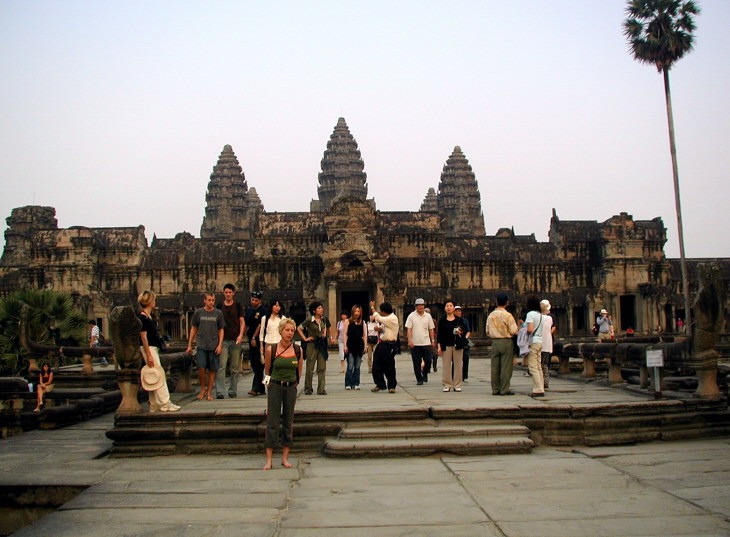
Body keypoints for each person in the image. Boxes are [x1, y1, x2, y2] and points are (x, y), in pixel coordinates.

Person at [262, 318, 304, 470]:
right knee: (272, 421)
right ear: (280, 331)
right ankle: (269, 459)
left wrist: (294, 384)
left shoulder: (298, 350)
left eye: (292, 330)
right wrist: (270, 385)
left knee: (288, 421)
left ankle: (285, 457)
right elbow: (267, 369)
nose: (290, 333)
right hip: (275, 386)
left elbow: (299, 370)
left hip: (290, 387)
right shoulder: (271, 350)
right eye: (287, 330)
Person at [138, 290, 180, 412]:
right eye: (154, 300)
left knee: (153, 375)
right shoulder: (142, 317)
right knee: (159, 375)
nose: (155, 302)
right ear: (150, 301)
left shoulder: (148, 316)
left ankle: (154, 404)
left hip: (152, 348)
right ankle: (165, 402)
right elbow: (143, 337)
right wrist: (149, 355)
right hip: (148, 348)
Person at [187, 292, 224, 401]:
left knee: (212, 369)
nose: (211, 302)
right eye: (209, 300)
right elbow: (194, 328)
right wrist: (190, 344)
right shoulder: (198, 313)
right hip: (201, 344)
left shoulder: (218, 313)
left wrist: (220, 344)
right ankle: (202, 388)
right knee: (201, 368)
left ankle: (209, 392)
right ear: (204, 300)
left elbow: (221, 329)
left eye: (213, 300)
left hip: (214, 344)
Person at [215, 283, 245, 399]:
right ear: (224, 293)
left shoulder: (237, 306)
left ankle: (232, 390)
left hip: (235, 338)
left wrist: (241, 335)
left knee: (235, 367)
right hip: (223, 340)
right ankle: (220, 391)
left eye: (230, 292)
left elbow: (242, 321)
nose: (228, 294)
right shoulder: (219, 306)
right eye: (226, 292)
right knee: (221, 365)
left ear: (233, 293)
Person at [486, 291, 519, 396]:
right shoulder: (508, 315)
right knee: (506, 366)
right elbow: (514, 331)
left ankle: (495, 389)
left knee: (495, 366)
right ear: (507, 302)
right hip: (506, 341)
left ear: (496, 302)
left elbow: (487, 331)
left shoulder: (491, 315)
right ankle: (504, 389)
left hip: (495, 342)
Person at [297, 301, 332, 395]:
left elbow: (328, 327)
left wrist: (328, 335)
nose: (321, 310)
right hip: (312, 344)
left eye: (321, 308)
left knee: (322, 367)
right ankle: (308, 388)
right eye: (319, 308)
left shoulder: (324, 319)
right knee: (310, 367)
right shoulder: (309, 320)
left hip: (322, 344)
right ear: (314, 310)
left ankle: (321, 389)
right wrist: (305, 338)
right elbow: (299, 328)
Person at [369, 301, 399, 393]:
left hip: (390, 344)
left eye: (381, 311)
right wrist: (380, 329)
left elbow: (378, 317)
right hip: (382, 343)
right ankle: (380, 384)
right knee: (376, 364)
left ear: (384, 311)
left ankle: (391, 385)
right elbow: (385, 329)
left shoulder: (392, 318)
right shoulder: (387, 319)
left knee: (389, 366)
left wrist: (372, 307)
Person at [437, 300, 467, 392]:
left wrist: (459, 331)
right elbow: (440, 334)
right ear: (445, 308)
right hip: (446, 345)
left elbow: (464, 331)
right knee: (446, 365)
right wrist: (439, 346)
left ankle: (457, 384)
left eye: (450, 306)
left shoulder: (459, 320)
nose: (449, 307)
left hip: (457, 344)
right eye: (447, 306)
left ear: (454, 308)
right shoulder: (442, 320)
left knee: (458, 365)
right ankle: (447, 384)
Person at [404, 298, 435, 385]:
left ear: (424, 306)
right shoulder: (411, 316)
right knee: (416, 362)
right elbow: (409, 329)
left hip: (426, 342)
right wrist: (409, 340)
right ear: (416, 307)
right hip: (415, 343)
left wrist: (432, 340)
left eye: (422, 305)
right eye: (418, 306)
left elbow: (431, 329)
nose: (420, 307)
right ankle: (419, 379)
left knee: (428, 360)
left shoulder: (428, 316)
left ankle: (425, 372)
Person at [245, 291, 268, 396]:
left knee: (258, 363)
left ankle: (255, 388)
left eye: (256, 300)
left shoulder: (263, 310)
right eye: (253, 300)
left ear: (260, 301)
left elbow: (260, 325)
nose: (254, 302)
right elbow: (246, 324)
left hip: (260, 340)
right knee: (253, 363)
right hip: (250, 339)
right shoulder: (249, 311)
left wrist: (255, 337)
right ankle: (261, 387)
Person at [343, 304, 367, 390]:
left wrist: (365, 345)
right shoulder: (348, 321)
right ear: (352, 312)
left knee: (357, 365)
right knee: (350, 365)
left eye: (358, 311)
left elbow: (364, 335)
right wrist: (345, 345)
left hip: (359, 345)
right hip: (350, 344)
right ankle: (348, 383)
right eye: (355, 311)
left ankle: (356, 382)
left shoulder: (362, 322)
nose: (357, 313)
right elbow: (345, 334)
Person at [525, 296, 545, 397]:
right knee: (538, 366)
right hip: (540, 341)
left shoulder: (530, 314)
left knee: (532, 367)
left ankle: (538, 389)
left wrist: (524, 329)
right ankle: (541, 386)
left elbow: (530, 329)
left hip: (533, 341)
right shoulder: (540, 315)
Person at [259, 297, 287, 362]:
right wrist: (261, 346)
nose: (278, 308)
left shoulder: (283, 318)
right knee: (269, 363)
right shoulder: (265, 318)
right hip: (268, 343)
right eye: (276, 306)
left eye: (279, 306)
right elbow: (261, 332)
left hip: (280, 343)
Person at [539, 300, 556, 390]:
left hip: (538, 343)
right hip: (547, 343)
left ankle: (540, 382)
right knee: (545, 364)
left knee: (539, 364)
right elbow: (553, 326)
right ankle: (545, 381)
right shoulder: (549, 318)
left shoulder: (537, 318)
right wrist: (548, 334)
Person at [454, 306, 471, 382]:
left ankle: (464, 375)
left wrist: (466, 337)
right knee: (456, 359)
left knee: (465, 358)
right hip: (455, 341)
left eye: (459, 311)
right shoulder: (452, 320)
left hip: (464, 341)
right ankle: (455, 375)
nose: (458, 312)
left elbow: (468, 331)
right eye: (456, 311)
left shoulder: (465, 321)